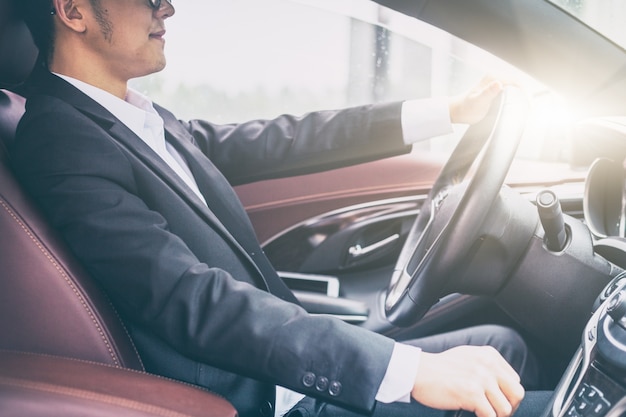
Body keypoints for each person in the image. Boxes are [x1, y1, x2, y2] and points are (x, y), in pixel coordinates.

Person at [11, 0, 552, 416]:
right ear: (73, 10)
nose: (168, 7)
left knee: (501, 346)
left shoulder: (136, 118)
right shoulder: (61, 139)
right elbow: (192, 300)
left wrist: (449, 111)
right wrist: (408, 372)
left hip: (281, 367)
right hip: (268, 397)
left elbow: (284, 138)